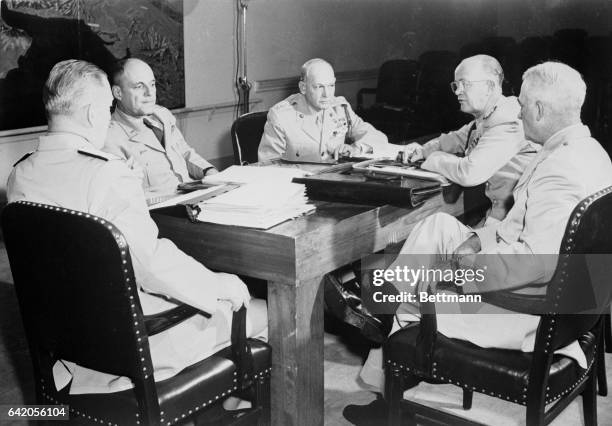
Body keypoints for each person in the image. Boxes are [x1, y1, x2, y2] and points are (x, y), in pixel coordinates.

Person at [343, 61, 612, 422]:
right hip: (577, 301)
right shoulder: (592, 153)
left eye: (522, 102)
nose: (516, 109)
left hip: (534, 315)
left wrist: (458, 273)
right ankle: (379, 303)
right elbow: (526, 233)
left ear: (538, 109)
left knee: (414, 300)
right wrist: (478, 240)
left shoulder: (559, 170)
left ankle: (389, 399)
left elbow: (534, 261)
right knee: (440, 227)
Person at [7, 60, 267, 401]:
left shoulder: (20, 174)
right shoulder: (106, 174)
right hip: (135, 349)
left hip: (69, 351)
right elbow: (152, 263)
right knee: (261, 308)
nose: (107, 117)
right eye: (106, 109)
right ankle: (233, 408)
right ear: (89, 115)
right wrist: (218, 285)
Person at [402, 54, 538, 224]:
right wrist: (422, 150)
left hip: (513, 223)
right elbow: (457, 138)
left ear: (489, 86)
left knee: (433, 229)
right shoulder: (489, 115)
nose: (458, 91)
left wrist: (433, 158)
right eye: (456, 85)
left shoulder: (508, 121)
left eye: (464, 84)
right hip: (499, 215)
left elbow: (469, 173)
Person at [104, 58, 218, 199]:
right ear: (118, 93)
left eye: (152, 85)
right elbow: (125, 197)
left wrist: (208, 171)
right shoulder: (110, 137)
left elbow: (184, 151)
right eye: (139, 86)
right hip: (162, 212)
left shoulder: (162, 115)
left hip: (193, 197)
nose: (149, 93)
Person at [258, 58, 397, 162]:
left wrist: (355, 147)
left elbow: (378, 138)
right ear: (303, 88)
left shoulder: (340, 108)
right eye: (319, 87)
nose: (327, 94)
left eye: (331, 86)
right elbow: (267, 165)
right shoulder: (282, 116)